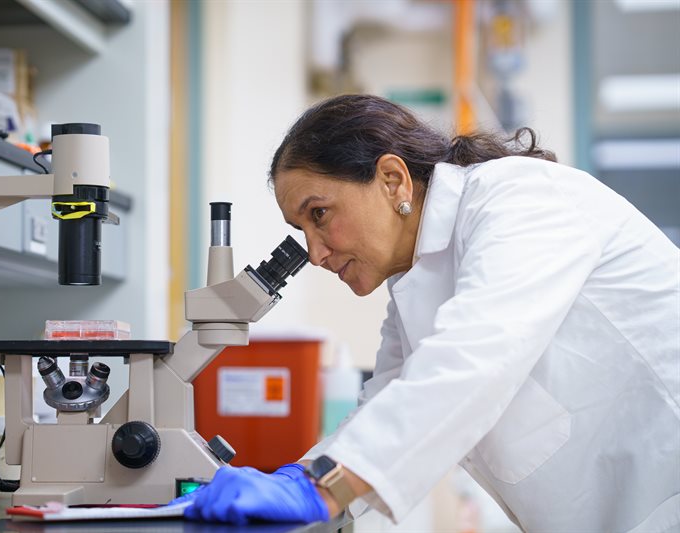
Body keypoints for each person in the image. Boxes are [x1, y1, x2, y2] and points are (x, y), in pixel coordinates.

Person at [179, 94, 680, 531]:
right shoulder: (415, 283)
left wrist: (323, 487)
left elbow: (476, 358)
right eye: (302, 229)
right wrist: (299, 473)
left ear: (393, 180)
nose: (314, 253)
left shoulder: (521, 199)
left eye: (320, 214)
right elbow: (388, 397)